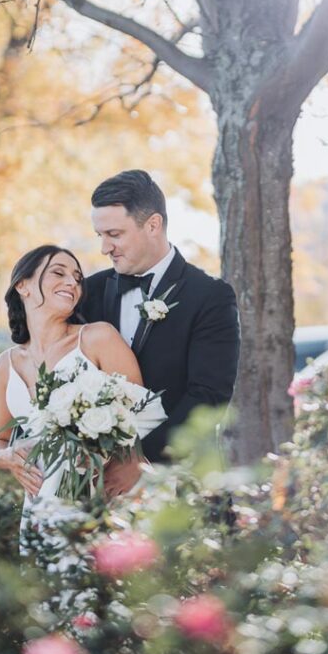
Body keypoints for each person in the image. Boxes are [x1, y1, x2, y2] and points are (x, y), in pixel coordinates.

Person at [82, 169, 240, 492]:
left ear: (153, 225)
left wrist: (139, 460)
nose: (104, 248)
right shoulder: (89, 291)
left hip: (182, 484)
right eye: (100, 235)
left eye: (114, 234)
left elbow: (208, 397)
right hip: (102, 488)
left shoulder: (210, 297)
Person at [0, 244, 156, 514]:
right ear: (22, 285)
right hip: (41, 504)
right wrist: (7, 457)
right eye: (58, 272)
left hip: (109, 495)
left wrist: (129, 463)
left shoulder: (98, 338)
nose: (72, 282)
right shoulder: (5, 365)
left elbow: (145, 410)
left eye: (77, 278)